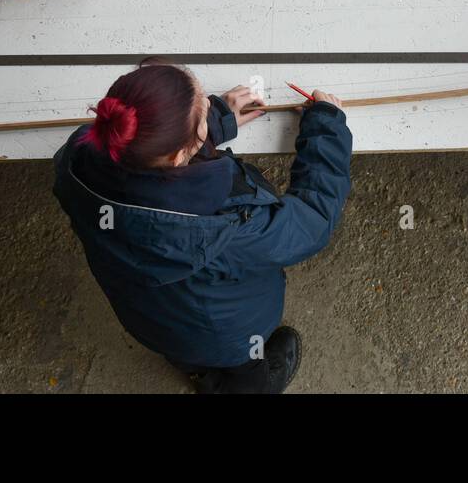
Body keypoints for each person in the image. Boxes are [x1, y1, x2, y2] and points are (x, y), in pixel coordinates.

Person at [52, 61, 352, 393]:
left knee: (185, 351)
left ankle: (198, 372)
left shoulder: (77, 155)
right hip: (223, 333)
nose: (210, 105)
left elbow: (142, 159)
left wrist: (214, 121)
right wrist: (327, 129)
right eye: (204, 109)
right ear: (181, 154)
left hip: (148, 319)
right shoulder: (223, 223)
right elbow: (311, 221)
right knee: (243, 370)